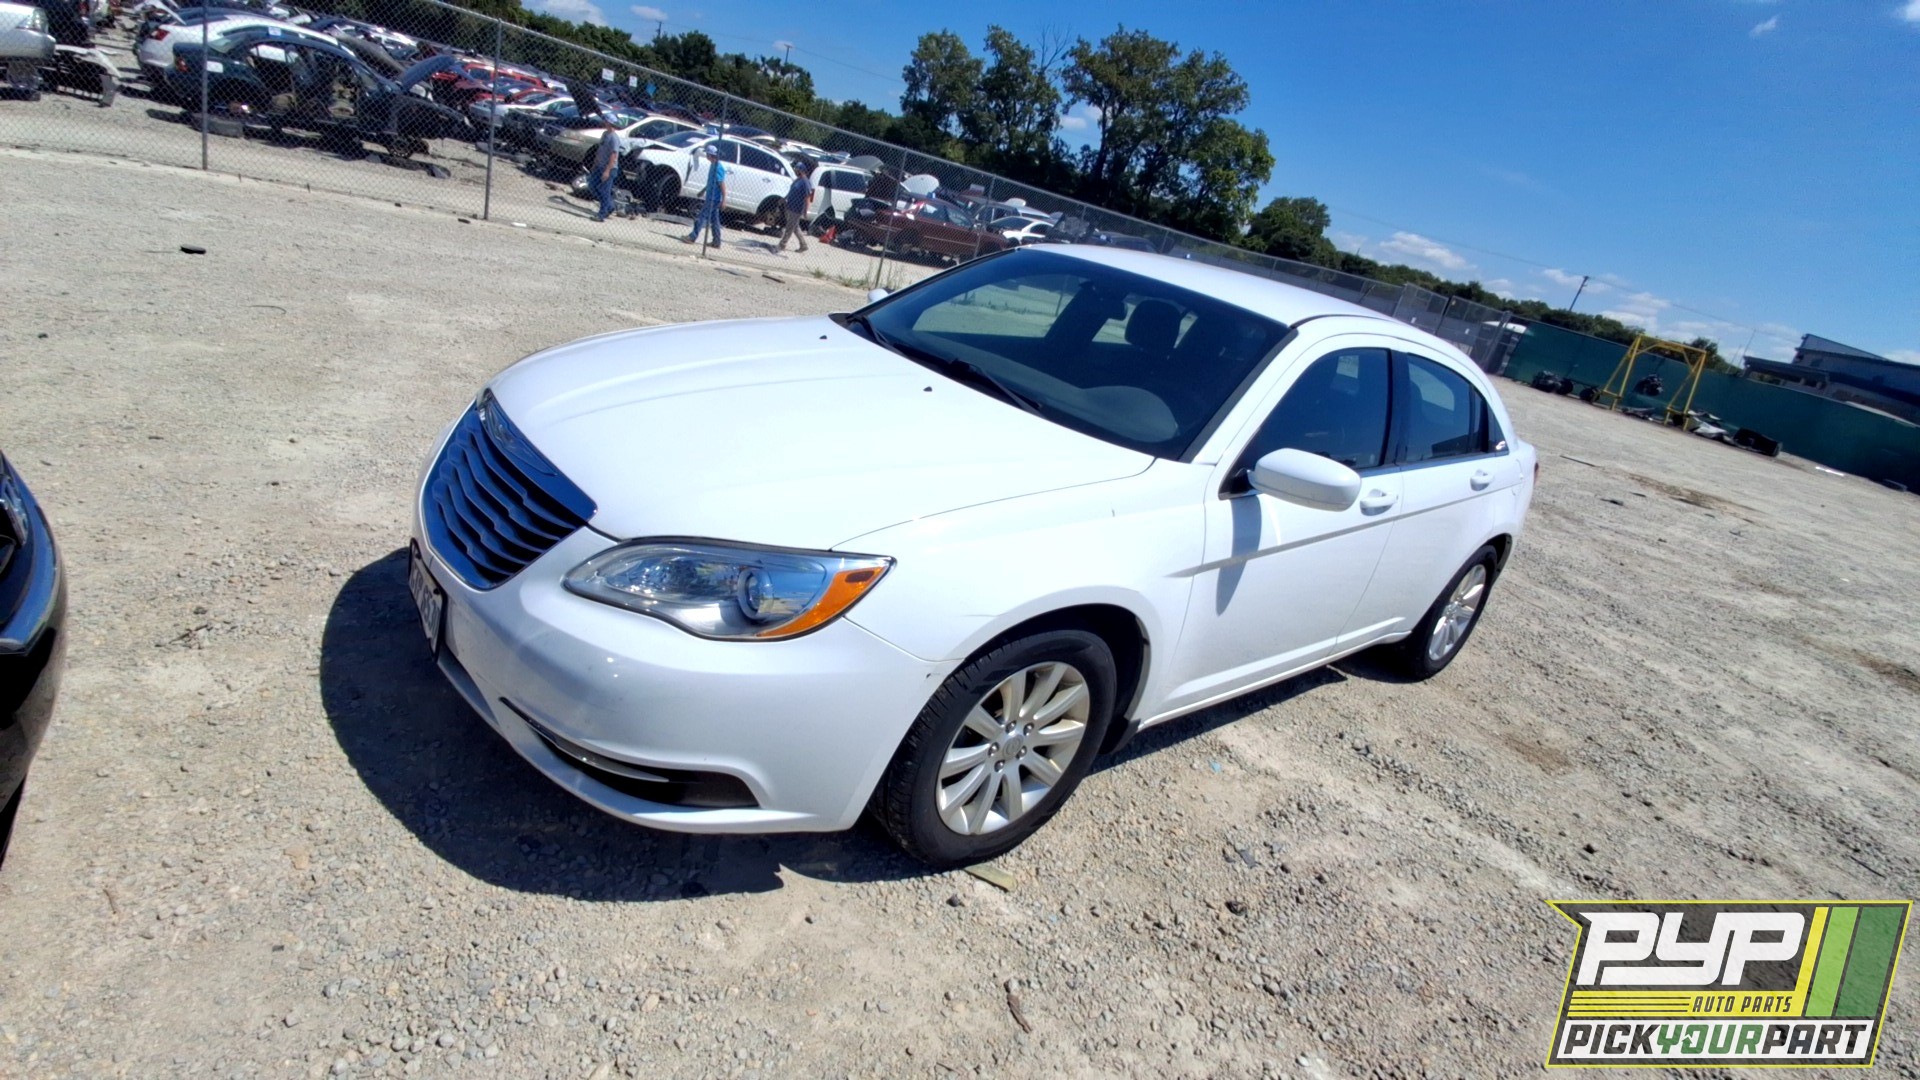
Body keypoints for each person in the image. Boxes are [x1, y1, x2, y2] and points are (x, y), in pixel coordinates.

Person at [682, 144, 726, 247]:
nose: (706, 156)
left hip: (713, 199)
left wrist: (724, 199)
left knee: (701, 217)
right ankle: (716, 241)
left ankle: (692, 237)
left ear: (711, 155)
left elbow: (722, 184)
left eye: (707, 154)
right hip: (711, 196)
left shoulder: (718, 167)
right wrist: (703, 190)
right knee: (715, 221)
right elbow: (711, 182)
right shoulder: (713, 165)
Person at [775, 160, 813, 254]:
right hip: (790, 206)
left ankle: (782, 245)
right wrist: (784, 199)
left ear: (801, 170)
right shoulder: (798, 180)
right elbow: (792, 191)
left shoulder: (805, 182)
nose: (795, 171)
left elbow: (807, 197)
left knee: (789, 228)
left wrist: (805, 211)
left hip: (796, 209)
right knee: (795, 227)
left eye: (797, 169)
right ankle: (803, 245)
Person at [589, 120, 622, 223]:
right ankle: (610, 206)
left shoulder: (614, 138)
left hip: (609, 168)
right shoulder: (605, 134)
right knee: (592, 186)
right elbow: (600, 149)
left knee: (605, 191)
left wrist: (607, 171)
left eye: (607, 122)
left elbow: (614, 155)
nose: (605, 123)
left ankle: (601, 214)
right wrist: (594, 164)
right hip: (599, 166)